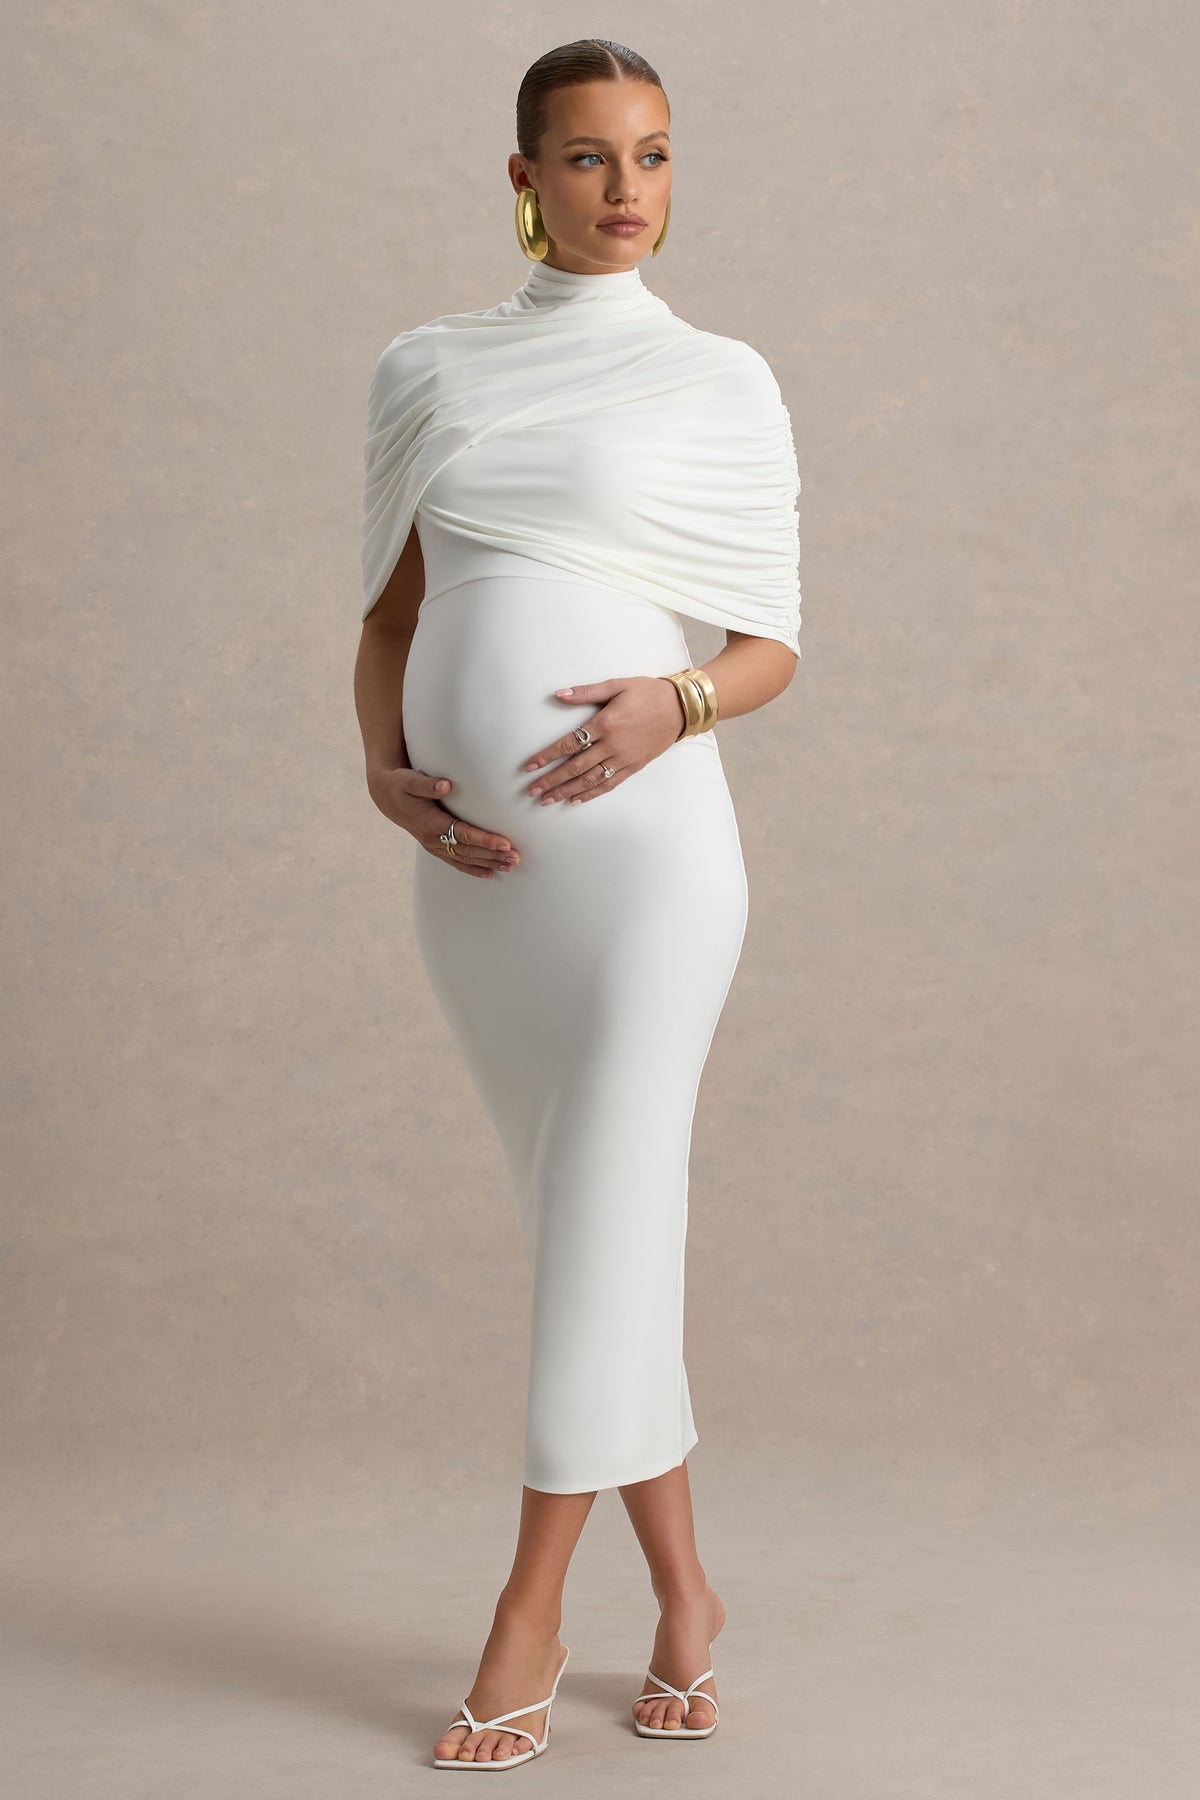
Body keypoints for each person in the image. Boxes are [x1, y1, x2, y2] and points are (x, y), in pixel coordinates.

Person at [354, 39, 801, 1771]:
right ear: (525, 177)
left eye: (656, 154)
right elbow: (391, 614)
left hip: (649, 866)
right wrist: (381, 769)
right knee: (592, 1238)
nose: (629, 189)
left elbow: (770, 647)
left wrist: (670, 705)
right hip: (484, 886)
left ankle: (528, 1613)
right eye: (592, 156)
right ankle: (688, 1598)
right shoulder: (426, 367)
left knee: (603, 1217)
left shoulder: (720, 379)